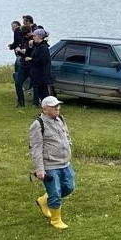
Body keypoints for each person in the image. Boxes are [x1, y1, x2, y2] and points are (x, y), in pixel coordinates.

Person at [28, 95, 74, 230]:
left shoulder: (61, 119)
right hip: (50, 165)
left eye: (58, 105)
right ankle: (55, 220)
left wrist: (69, 145)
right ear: (45, 109)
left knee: (69, 187)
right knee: (55, 193)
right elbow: (36, 148)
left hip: (65, 163)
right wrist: (39, 169)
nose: (57, 108)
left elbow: (66, 135)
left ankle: (44, 200)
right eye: (54, 106)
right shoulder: (38, 125)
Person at [27, 28, 54, 101]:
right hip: (37, 75)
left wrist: (31, 60)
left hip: (42, 75)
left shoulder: (43, 47)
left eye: (34, 36)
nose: (33, 38)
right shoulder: (37, 46)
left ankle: (47, 106)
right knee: (41, 93)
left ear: (39, 37)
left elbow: (42, 61)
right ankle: (44, 105)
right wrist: (30, 47)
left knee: (44, 94)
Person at [9, 19, 32, 107]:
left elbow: (30, 51)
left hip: (31, 65)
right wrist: (19, 51)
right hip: (23, 65)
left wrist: (21, 50)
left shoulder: (32, 40)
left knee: (35, 84)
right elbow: (19, 46)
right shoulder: (23, 38)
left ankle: (36, 102)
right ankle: (21, 102)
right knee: (18, 83)